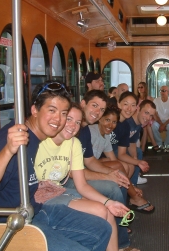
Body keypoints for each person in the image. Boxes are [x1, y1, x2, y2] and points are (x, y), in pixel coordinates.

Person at [0, 81, 111, 251]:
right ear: (35, 110)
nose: (59, 120)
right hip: (7, 224)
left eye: (63, 113)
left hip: (34, 210)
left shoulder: (36, 139)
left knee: (102, 229)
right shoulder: (15, 137)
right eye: (51, 110)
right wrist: (8, 151)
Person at [34, 103, 131, 251]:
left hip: (57, 192)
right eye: (69, 119)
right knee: (100, 212)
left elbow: (82, 185)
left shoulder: (74, 144)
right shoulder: (39, 141)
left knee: (107, 211)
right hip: (39, 198)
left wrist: (109, 202)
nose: (73, 126)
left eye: (78, 122)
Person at [110, 91, 155, 213]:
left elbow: (131, 143)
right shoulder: (122, 121)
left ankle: (131, 191)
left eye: (151, 116)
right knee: (126, 167)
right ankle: (131, 194)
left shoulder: (130, 125)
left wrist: (136, 160)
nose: (148, 118)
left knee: (137, 154)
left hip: (113, 150)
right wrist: (137, 162)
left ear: (136, 107)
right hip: (108, 152)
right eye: (146, 113)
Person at [151, 85, 169, 152]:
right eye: (161, 91)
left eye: (164, 91)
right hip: (159, 120)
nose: (162, 92)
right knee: (153, 126)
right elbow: (155, 114)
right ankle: (159, 144)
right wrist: (161, 124)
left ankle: (167, 144)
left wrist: (164, 124)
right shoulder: (156, 100)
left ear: (168, 92)